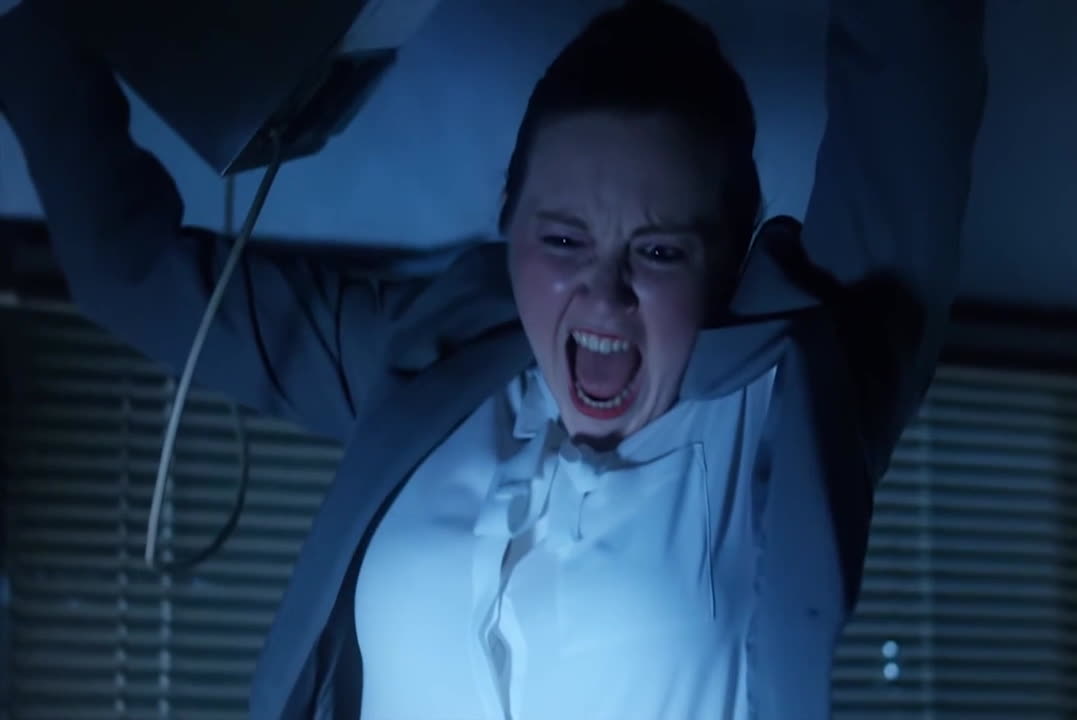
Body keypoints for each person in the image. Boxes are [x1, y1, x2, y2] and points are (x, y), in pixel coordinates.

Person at [0, 0, 986, 717]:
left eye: (657, 251)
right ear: (506, 228)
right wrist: (33, 26)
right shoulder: (437, 362)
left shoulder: (790, 399)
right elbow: (131, 273)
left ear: (727, 262)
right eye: (561, 240)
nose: (602, 293)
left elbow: (911, 85)